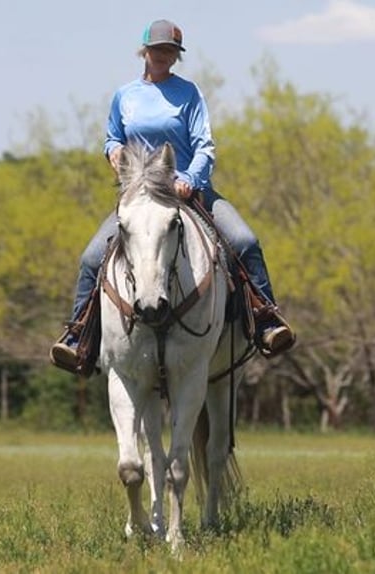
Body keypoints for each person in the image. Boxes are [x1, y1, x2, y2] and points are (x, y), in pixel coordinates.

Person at [51, 19, 294, 371]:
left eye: (170, 51)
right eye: (158, 49)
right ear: (144, 51)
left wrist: (191, 179)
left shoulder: (189, 93)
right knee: (91, 258)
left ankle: (267, 320)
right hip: (141, 195)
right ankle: (78, 339)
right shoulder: (125, 96)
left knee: (245, 240)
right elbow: (111, 137)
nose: (163, 55)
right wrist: (113, 152)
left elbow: (204, 147)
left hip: (189, 190)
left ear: (176, 56)